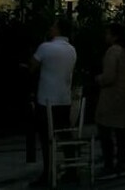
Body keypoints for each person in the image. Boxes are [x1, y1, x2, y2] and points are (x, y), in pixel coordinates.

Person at [28, 17, 77, 188]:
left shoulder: (45, 48)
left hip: (46, 100)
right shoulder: (72, 50)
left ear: (58, 30)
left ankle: (48, 172)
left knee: (46, 138)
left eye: (53, 26)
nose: (50, 28)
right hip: (64, 99)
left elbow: (32, 66)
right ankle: (72, 170)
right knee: (65, 135)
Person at [95, 22, 125, 180]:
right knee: (121, 132)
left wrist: (98, 79)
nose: (105, 36)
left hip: (111, 97)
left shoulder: (113, 51)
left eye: (108, 33)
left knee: (105, 131)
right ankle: (121, 164)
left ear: (114, 35)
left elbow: (109, 76)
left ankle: (109, 165)